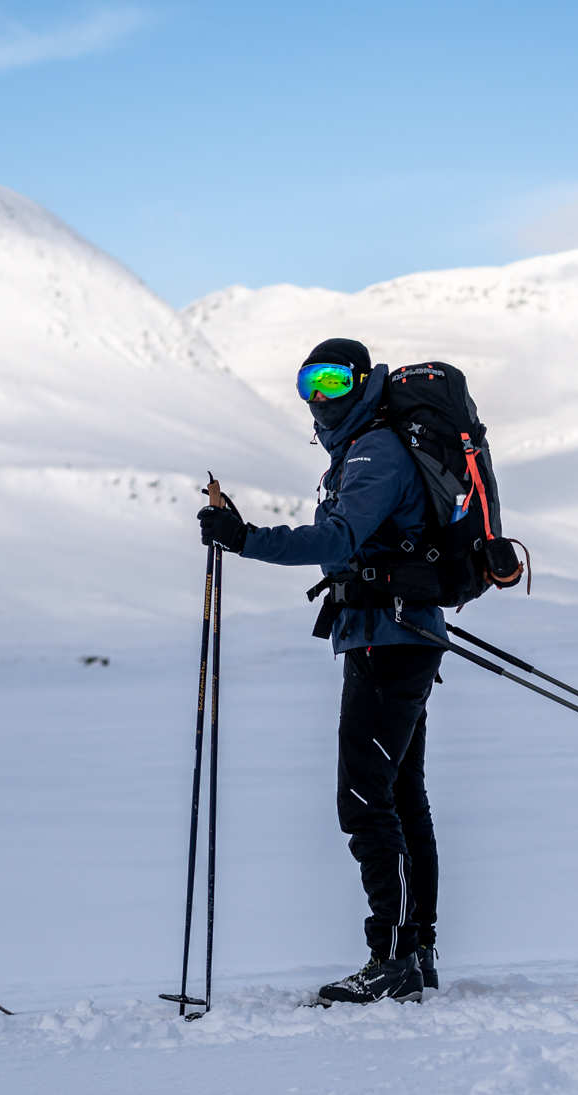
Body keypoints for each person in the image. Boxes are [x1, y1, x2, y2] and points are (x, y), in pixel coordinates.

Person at [196, 337, 446, 1005]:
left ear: (362, 383)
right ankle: (415, 953)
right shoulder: (363, 450)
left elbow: (338, 539)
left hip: (387, 640)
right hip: (393, 635)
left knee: (366, 800)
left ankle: (392, 958)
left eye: (334, 381)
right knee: (398, 796)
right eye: (310, 382)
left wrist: (246, 538)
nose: (320, 396)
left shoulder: (374, 452)